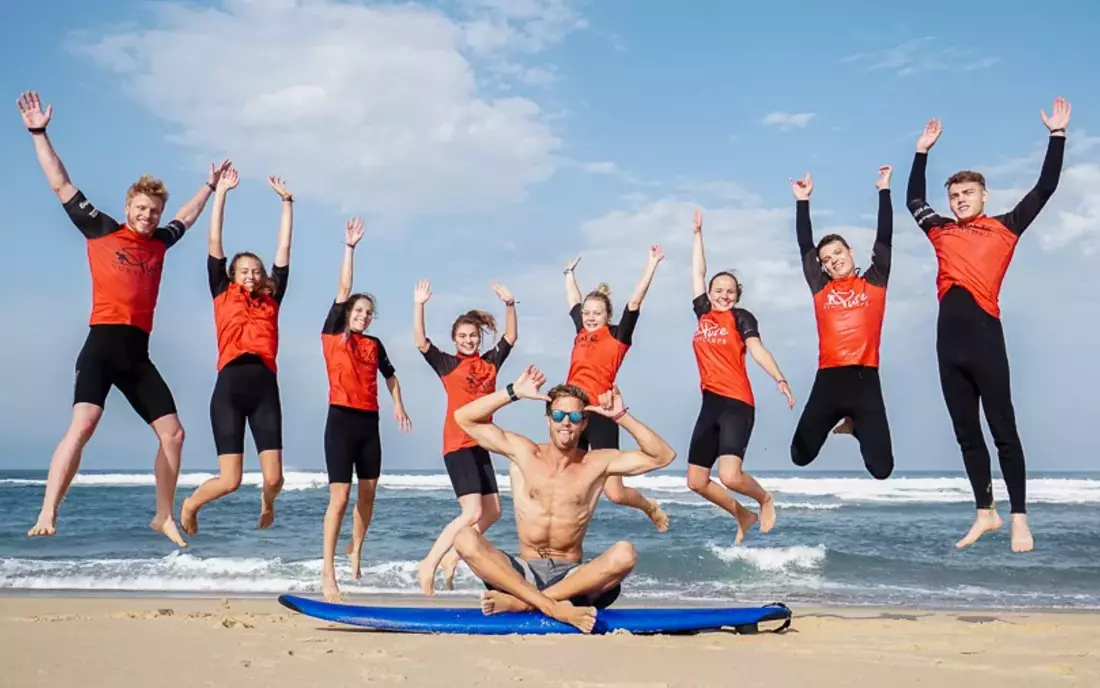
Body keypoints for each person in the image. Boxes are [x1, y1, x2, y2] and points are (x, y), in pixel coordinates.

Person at [18, 90, 229, 546]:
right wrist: (39, 133)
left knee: (173, 434)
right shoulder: (101, 229)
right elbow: (60, 182)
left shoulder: (160, 242)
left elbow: (187, 218)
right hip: (101, 345)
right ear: (129, 205)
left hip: (138, 354)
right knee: (84, 425)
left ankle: (163, 516)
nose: (149, 216)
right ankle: (48, 510)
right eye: (141, 209)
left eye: (154, 211)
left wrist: (209, 188)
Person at [906, 97, 1070, 553]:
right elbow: (913, 199)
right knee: (965, 432)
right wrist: (920, 152)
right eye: (955, 195)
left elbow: (1045, 188)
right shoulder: (939, 230)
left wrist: (1057, 136)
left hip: (985, 340)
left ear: (984, 196)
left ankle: (1019, 517)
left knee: (1003, 429)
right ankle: (985, 511)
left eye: (968, 194)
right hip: (947, 347)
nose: (960, 200)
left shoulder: (1006, 227)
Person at [451, 365, 676, 633]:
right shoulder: (524, 453)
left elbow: (662, 456)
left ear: (584, 422)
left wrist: (621, 416)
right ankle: (552, 605)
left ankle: (525, 604)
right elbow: (464, 418)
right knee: (464, 537)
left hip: (572, 577)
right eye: (558, 415)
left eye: (573, 416)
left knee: (625, 554)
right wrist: (513, 392)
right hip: (521, 572)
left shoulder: (597, 463)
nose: (565, 422)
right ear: (548, 420)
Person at [179, 169, 295, 535]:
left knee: (275, 478)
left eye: (256, 271)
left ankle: (267, 503)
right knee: (230, 481)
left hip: (265, 390)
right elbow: (214, 239)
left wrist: (287, 203)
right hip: (229, 389)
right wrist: (221, 192)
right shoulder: (221, 292)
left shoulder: (271, 299)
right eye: (244, 270)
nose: (250, 275)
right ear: (232, 275)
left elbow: (283, 251)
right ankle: (191, 503)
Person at [319, 218, 412, 602]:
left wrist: (398, 406)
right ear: (347, 313)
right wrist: (350, 248)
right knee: (339, 499)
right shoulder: (332, 335)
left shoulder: (374, 344)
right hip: (340, 420)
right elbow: (343, 288)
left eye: (368, 312)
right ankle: (328, 573)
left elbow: (391, 376)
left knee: (368, 495)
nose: (363, 316)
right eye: (359, 310)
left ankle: (356, 549)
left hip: (368, 423)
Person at [688, 210, 794, 544]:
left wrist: (779, 378)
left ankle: (764, 499)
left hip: (736, 403)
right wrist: (697, 235)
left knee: (730, 476)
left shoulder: (741, 317)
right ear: (709, 292)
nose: (723, 295)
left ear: (737, 294)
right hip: (709, 404)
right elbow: (697, 272)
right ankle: (742, 515)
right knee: (695, 481)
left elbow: (757, 347)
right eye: (718, 290)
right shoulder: (703, 314)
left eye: (730, 290)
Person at [788, 166, 895, 480]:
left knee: (882, 469)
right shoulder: (822, 289)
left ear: (850, 252)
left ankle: (855, 426)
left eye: (838, 252)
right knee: (800, 456)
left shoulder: (874, 282)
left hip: (865, 380)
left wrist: (884, 191)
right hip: (829, 381)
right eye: (827, 259)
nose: (834, 259)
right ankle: (847, 418)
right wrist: (803, 202)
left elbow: (885, 238)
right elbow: (805, 246)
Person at [412, 279, 518, 595]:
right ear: (454, 339)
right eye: (462, 336)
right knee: (471, 513)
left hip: (482, 445)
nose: (468, 340)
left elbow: (511, 337)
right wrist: (419, 305)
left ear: (479, 337)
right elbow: (420, 341)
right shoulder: (448, 364)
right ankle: (429, 562)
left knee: (494, 511)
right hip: (458, 444)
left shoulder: (489, 363)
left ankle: (454, 556)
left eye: (473, 336)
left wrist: (510, 304)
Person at [562, 249, 669, 533]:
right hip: (572, 413)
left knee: (615, 493)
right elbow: (573, 301)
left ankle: (649, 506)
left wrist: (651, 265)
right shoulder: (581, 332)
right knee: (568, 480)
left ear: (608, 315)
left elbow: (635, 301)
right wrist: (569, 274)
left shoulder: (618, 336)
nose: (590, 317)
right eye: (587, 313)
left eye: (597, 313)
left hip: (601, 412)